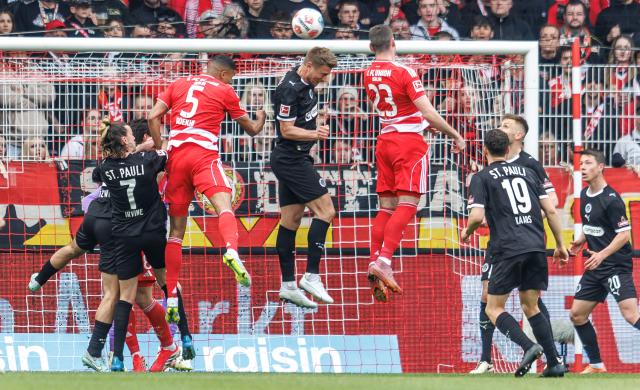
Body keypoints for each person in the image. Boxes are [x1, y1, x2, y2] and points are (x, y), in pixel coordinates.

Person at [29, 119, 194, 371]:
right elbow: (169, 154)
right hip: (144, 231)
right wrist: (151, 147)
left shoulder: (106, 167)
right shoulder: (149, 160)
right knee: (148, 292)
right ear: (130, 140)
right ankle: (175, 343)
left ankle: (40, 279)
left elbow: (102, 170)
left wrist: (136, 149)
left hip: (106, 223)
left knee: (122, 291)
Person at [148, 55, 265, 323]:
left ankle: (172, 297)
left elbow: (153, 116)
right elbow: (252, 130)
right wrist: (261, 117)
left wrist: (161, 148)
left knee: (175, 232)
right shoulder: (224, 90)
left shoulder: (178, 83)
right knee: (224, 206)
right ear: (224, 74)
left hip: (176, 156)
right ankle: (232, 251)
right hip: (203, 155)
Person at [363, 24, 465, 301]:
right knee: (409, 205)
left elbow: (397, 110)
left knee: (386, 207)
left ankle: (375, 259)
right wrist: (454, 133)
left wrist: (418, 121)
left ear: (372, 47)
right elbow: (429, 113)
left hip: (384, 141)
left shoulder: (368, 73)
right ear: (394, 42)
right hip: (408, 144)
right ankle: (385, 261)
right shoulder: (405, 71)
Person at [462, 129, 568, 378]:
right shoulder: (529, 172)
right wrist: (561, 245)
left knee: (493, 307)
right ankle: (554, 363)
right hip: (535, 246)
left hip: (507, 249)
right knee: (531, 306)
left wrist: (467, 231)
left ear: (485, 150)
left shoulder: (482, 177)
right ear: (508, 149)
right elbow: (551, 211)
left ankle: (529, 346)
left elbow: (477, 217)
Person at [96, 120, 179, 371]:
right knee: (129, 296)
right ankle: (136, 354)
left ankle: (168, 348)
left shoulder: (152, 160)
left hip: (145, 228)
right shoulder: (140, 158)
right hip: (128, 231)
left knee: (139, 296)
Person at [270, 47, 337, 308]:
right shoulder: (288, 88)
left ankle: (288, 285)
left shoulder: (305, 82)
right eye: (322, 74)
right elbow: (286, 130)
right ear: (308, 66)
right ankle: (311, 275)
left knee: (291, 220)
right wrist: (315, 134)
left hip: (296, 158)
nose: (324, 78)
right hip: (290, 159)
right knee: (326, 211)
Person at [569, 149, 640, 374]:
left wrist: (602, 254)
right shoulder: (584, 195)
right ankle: (597, 365)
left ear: (600, 167)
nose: (582, 167)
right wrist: (581, 240)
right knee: (577, 314)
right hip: (596, 266)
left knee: (630, 314)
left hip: (614, 265)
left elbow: (623, 235)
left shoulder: (612, 199)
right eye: (581, 163)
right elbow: (596, 227)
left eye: (588, 163)